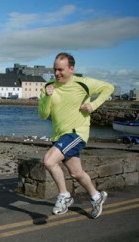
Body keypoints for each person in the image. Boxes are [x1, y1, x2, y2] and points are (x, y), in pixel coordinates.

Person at [38, 52, 114, 219]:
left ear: (71, 69)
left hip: (76, 133)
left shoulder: (83, 83)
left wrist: (93, 105)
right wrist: (47, 97)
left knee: (49, 161)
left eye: (60, 70)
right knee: (76, 173)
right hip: (59, 135)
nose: (57, 73)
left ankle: (64, 196)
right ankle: (96, 197)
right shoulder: (49, 86)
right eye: (54, 70)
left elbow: (109, 88)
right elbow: (43, 115)